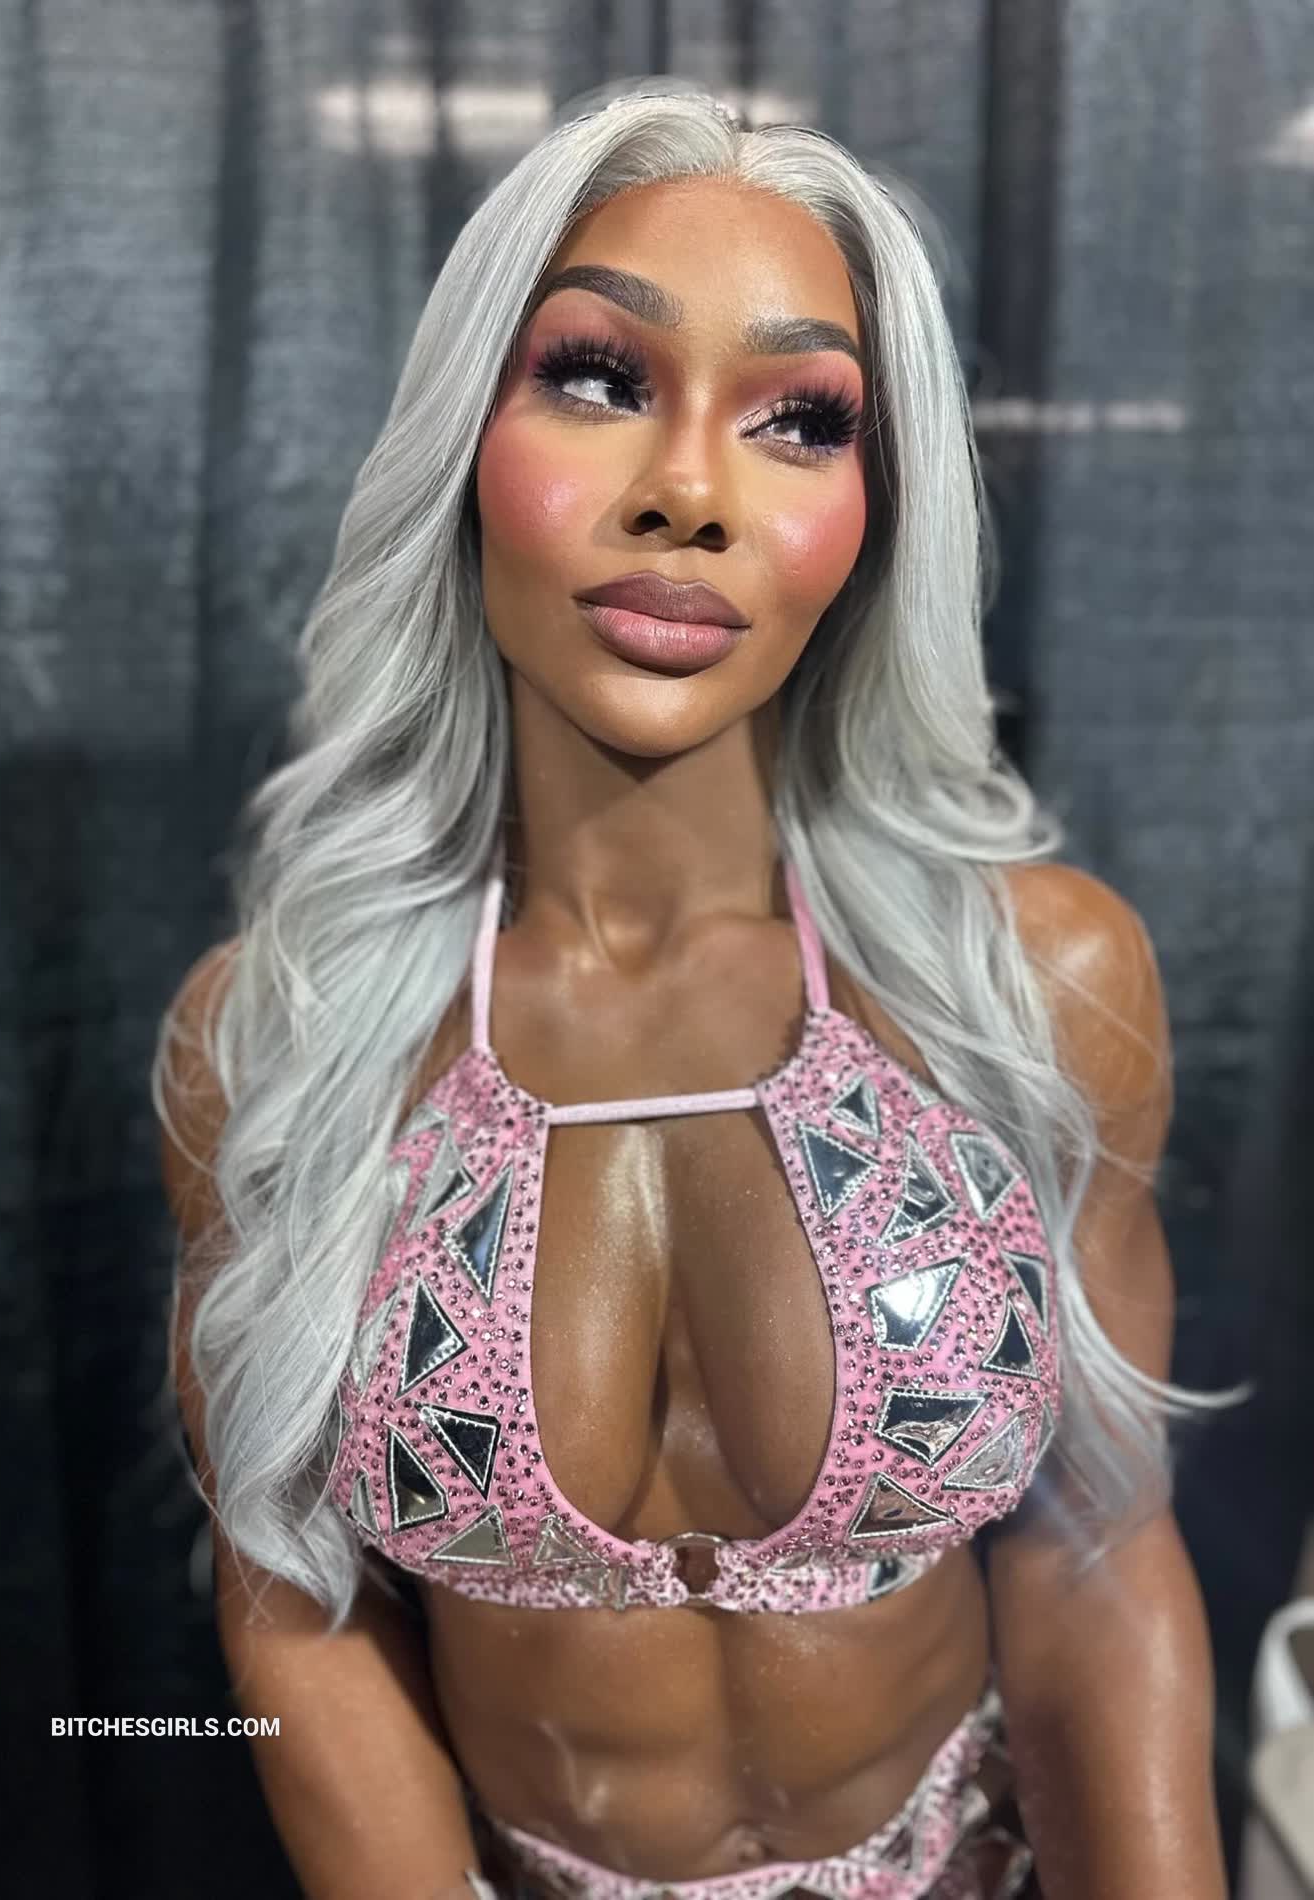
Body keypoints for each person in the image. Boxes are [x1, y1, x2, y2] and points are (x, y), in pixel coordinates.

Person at [155, 80, 1233, 1900]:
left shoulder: (1033, 987)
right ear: (460, 441)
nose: (688, 494)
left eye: (800, 419)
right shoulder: (278, 1044)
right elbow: (294, 1603)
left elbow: (1096, 1546)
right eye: (598, 378)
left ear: (877, 511)